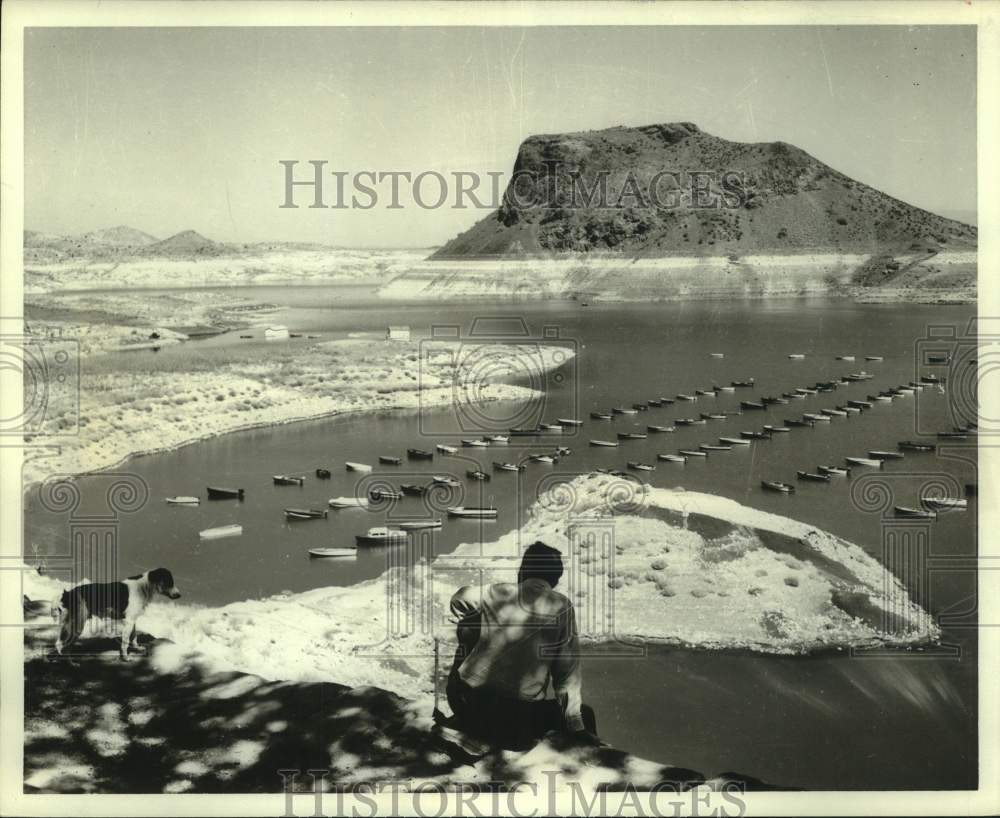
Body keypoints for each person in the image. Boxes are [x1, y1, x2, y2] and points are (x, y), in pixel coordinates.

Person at [444, 541, 599, 750]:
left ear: (523, 570)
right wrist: (577, 727)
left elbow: (458, 599)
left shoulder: (496, 592)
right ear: (555, 579)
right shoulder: (562, 606)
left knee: (469, 623)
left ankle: (465, 719)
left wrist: (476, 623)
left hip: (467, 704)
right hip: (516, 720)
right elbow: (567, 676)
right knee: (585, 714)